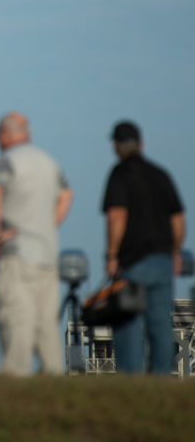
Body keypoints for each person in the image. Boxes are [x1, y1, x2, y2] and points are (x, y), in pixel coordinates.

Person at [0, 112, 73, 376]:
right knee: (46, 323)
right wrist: (48, 225)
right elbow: (67, 194)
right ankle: (52, 375)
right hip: (47, 253)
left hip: (18, 253)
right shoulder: (49, 162)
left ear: (7, 134)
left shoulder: (7, 161)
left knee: (16, 317)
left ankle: (15, 376)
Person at [102, 120, 185, 374]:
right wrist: (175, 253)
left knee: (128, 323)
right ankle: (161, 379)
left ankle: (131, 380)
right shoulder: (161, 175)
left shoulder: (119, 174)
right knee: (160, 325)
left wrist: (112, 254)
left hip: (133, 262)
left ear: (116, 146)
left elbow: (117, 216)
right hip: (162, 261)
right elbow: (178, 220)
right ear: (141, 144)